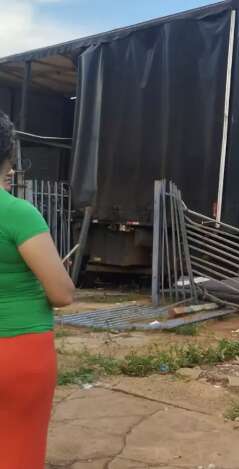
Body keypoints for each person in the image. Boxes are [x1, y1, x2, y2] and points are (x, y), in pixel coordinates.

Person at [0, 111, 75, 469]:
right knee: (17, 451)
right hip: (18, 351)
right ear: (7, 158)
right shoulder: (17, 213)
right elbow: (61, 293)